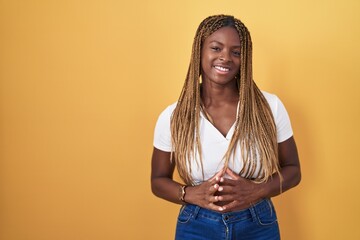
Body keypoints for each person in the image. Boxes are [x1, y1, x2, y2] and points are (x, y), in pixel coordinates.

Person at [151, 14, 301, 240]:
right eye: (216, 48)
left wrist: (256, 190)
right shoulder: (174, 116)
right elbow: (158, 181)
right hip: (196, 225)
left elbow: (293, 170)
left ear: (244, 59)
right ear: (199, 51)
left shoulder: (270, 107)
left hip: (258, 223)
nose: (225, 57)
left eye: (236, 52)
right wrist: (190, 194)